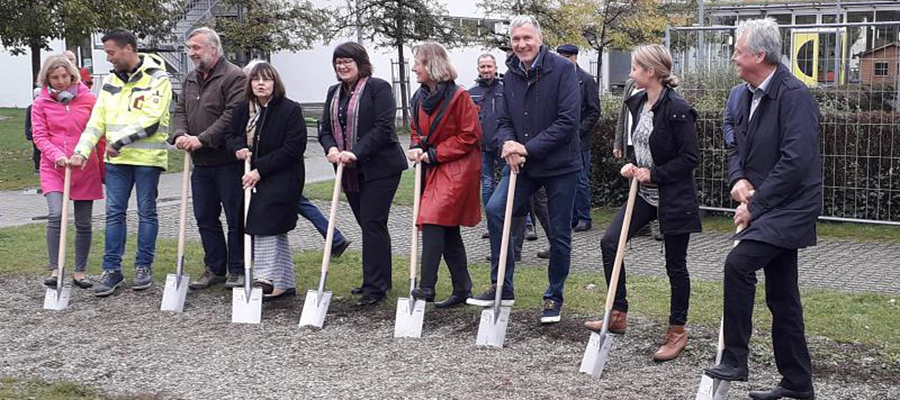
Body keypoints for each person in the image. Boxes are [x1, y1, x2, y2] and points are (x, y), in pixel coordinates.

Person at [703, 19, 820, 400]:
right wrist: (738, 180)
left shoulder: (795, 96)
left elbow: (796, 161)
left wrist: (755, 206)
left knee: (738, 265)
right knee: (783, 296)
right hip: (762, 201)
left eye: (738, 50)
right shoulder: (740, 95)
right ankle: (798, 383)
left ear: (759, 55)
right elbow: (733, 141)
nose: (734, 57)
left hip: (791, 206)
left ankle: (735, 358)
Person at [582, 44, 701, 362]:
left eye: (635, 68)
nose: (630, 73)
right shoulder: (637, 101)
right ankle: (617, 311)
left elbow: (689, 159)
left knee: (675, 266)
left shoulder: (678, 109)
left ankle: (677, 331)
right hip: (644, 194)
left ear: (651, 72)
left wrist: (654, 173)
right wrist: (633, 164)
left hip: (673, 197)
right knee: (610, 243)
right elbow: (643, 142)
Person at [467, 15, 581, 324]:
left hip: (560, 166)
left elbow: (568, 121)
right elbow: (504, 121)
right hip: (524, 166)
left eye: (527, 38)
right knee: (495, 208)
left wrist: (526, 147)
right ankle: (502, 286)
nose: (521, 44)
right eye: (516, 39)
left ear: (539, 39)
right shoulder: (511, 73)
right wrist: (508, 145)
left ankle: (553, 296)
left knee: (558, 233)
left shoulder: (563, 70)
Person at [70, 29, 172, 297]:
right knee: (114, 213)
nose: (108, 59)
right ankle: (112, 269)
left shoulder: (157, 78)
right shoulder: (109, 82)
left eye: (111, 53)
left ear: (128, 48)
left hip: (147, 160)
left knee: (146, 212)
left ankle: (143, 266)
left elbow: (151, 119)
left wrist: (119, 142)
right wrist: (82, 150)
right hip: (116, 162)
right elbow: (97, 121)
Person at [318, 42, 408, 306]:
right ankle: (380, 278)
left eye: (348, 61)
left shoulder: (378, 88)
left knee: (372, 222)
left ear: (360, 63)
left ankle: (375, 286)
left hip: (381, 168)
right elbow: (324, 128)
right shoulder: (334, 92)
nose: (342, 66)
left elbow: (383, 128)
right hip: (348, 170)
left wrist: (356, 151)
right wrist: (331, 147)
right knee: (369, 224)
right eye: (338, 62)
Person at [169, 27, 248, 290]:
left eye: (196, 48)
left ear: (213, 49)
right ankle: (215, 267)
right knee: (205, 217)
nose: (191, 53)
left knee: (236, 218)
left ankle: (237, 268)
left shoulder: (234, 77)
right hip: (200, 164)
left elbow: (231, 116)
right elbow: (180, 110)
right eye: (189, 48)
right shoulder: (190, 78)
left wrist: (202, 138)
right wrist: (180, 134)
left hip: (228, 161)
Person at [407, 43, 482, 308]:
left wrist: (436, 154)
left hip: (459, 167)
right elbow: (417, 131)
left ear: (432, 65)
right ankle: (463, 288)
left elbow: (470, 135)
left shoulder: (459, 96)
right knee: (448, 230)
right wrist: (416, 147)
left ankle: (427, 286)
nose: (414, 67)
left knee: (432, 219)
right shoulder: (418, 97)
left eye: (418, 62)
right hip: (434, 167)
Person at [225, 61, 306, 301]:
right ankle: (284, 283)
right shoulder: (244, 109)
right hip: (254, 176)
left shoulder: (290, 109)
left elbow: (293, 148)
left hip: (282, 177)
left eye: (266, 79)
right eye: (256, 79)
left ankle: (264, 278)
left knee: (263, 222)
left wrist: (260, 170)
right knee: (274, 229)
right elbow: (230, 135)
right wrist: (238, 148)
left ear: (275, 83)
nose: (261, 84)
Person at [31, 54, 103, 289]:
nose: (61, 81)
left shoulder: (89, 100)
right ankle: (55, 268)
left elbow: (97, 133)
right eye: (55, 78)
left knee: (83, 222)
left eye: (64, 76)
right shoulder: (40, 104)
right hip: (54, 167)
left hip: (83, 165)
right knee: (55, 215)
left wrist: (98, 165)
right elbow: (40, 137)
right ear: (47, 79)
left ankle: (80, 271)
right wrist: (57, 157)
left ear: (72, 75)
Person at [557, 44, 600, 232]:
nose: (562, 60)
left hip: (580, 140)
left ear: (574, 57)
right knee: (566, 179)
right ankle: (572, 216)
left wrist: (578, 131)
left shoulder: (586, 80)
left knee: (581, 180)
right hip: (561, 140)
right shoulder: (557, 78)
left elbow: (594, 111)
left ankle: (584, 217)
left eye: (566, 57)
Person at [468, 53, 503, 239]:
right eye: (483, 67)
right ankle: (492, 225)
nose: (486, 70)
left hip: (503, 146)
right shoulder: (471, 93)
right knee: (487, 185)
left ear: (495, 68)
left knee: (512, 183)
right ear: (478, 69)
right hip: (482, 147)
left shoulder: (505, 89)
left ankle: (525, 224)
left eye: (489, 66)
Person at [25, 87, 42, 174]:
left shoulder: (46, 107)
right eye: (36, 95)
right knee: (36, 150)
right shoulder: (31, 108)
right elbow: (27, 121)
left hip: (45, 132)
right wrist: (27, 133)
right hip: (35, 133)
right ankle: (37, 168)